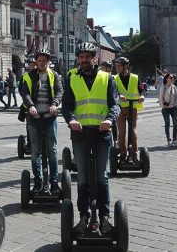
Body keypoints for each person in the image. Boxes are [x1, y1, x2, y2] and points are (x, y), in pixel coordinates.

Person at [62, 42, 119, 234]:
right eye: (81, 57)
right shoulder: (71, 79)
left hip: (102, 133)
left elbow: (115, 104)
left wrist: (109, 120)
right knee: (83, 177)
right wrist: (71, 120)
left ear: (94, 59)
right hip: (80, 134)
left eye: (88, 56)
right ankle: (84, 216)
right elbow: (66, 106)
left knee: (102, 176)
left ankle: (104, 217)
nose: (84, 60)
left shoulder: (107, 78)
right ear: (78, 59)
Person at [19, 47, 64, 193]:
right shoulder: (29, 76)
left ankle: (54, 182)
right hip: (34, 118)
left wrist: (55, 104)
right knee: (35, 151)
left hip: (50, 117)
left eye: (44, 60)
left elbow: (59, 91)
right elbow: (25, 93)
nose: (42, 63)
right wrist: (31, 106)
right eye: (39, 60)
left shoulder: (54, 75)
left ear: (48, 62)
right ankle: (38, 182)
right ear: (36, 62)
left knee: (52, 150)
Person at [113, 57, 145, 163]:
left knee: (133, 131)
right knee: (122, 132)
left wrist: (142, 96)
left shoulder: (135, 78)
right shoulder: (114, 78)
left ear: (125, 66)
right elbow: (113, 91)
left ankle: (134, 153)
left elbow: (142, 89)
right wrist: (119, 95)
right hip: (120, 108)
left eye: (119, 66)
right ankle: (122, 153)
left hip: (133, 107)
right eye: (116, 66)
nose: (117, 68)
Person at [159, 73, 177, 147]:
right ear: (166, 79)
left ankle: (175, 140)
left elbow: (176, 97)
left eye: (173, 77)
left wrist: (176, 104)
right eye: (170, 77)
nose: (172, 79)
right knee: (167, 124)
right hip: (166, 109)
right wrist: (163, 106)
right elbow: (160, 98)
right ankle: (168, 140)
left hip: (174, 108)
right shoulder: (163, 88)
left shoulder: (174, 87)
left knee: (175, 124)